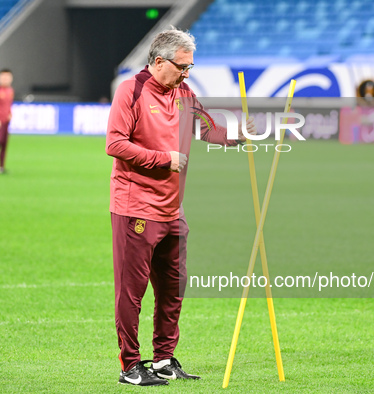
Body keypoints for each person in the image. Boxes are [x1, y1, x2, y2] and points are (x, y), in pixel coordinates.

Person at [105, 28, 255, 386]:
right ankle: (130, 366)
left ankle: (163, 359)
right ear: (159, 62)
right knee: (132, 292)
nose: (187, 73)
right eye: (182, 66)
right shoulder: (131, 90)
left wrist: (238, 136)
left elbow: (207, 130)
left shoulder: (185, 92)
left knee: (172, 289)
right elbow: (114, 143)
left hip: (173, 210)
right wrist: (162, 159)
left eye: (191, 66)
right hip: (135, 207)